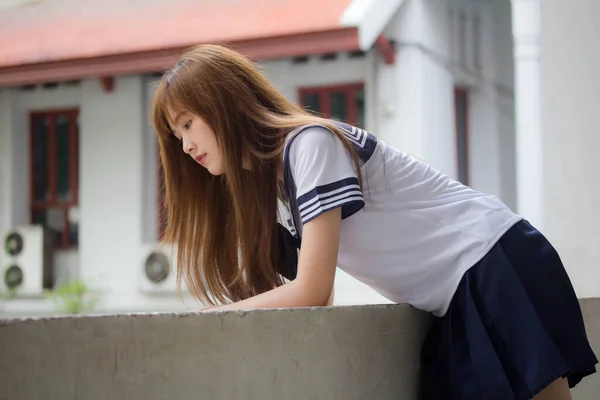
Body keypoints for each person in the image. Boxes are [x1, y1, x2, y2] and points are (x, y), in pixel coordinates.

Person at [151, 44, 597, 400]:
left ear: (225, 104)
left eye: (189, 123)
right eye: (178, 135)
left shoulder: (310, 146)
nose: (187, 146)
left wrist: (212, 315)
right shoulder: (273, 186)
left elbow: (313, 291)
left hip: (493, 262)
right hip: (453, 296)